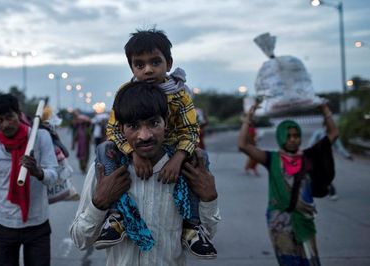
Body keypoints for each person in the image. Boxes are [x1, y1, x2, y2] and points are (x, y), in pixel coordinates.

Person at [69, 81, 220, 266]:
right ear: (121, 129)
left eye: (154, 123)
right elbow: (80, 239)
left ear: (166, 122)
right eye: (133, 126)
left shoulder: (188, 170)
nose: (145, 135)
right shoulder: (106, 171)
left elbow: (208, 233)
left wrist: (210, 198)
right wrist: (99, 203)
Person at [98, 28, 216, 258]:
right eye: (139, 65)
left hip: (172, 150)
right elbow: (113, 129)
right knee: (104, 149)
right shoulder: (126, 92)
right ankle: (115, 216)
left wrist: (178, 159)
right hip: (135, 149)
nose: (148, 69)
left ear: (169, 63)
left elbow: (190, 130)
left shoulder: (179, 94)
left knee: (201, 157)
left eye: (155, 62)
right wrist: (133, 153)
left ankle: (192, 226)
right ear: (131, 67)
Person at [238, 101, 338, 266]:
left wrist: (325, 110)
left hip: (304, 219)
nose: (292, 140)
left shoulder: (309, 156)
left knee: (310, 261)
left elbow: (333, 134)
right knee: (288, 262)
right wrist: (248, 118)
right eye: (288, 136)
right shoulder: (272, 159)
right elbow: (242, 145)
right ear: (280, 137)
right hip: (279, 221)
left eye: (296, 136)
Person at [0, 94, 58, 265]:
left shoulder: (40, 137)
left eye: (9, 117)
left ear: (19, 114)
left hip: (38, 225)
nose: (5, 124)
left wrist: (38, 172)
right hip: (4, 226)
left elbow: (53, 177)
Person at [308, 121, 353, 200]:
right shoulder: (318, 133)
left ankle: (327, 190)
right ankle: (331, 191)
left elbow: (339, 147)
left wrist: (347, 155)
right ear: (324, 126)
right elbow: (311, 143)